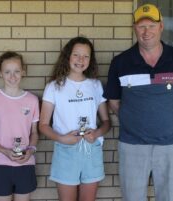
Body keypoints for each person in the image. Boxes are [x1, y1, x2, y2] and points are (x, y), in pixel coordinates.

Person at [104, 4, 173, 201]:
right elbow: (114, 102)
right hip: (132, 145)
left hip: (170, 145)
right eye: (141, 26)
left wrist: (168, 119)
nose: (146, 31)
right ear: (134, 29)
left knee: (169, 197)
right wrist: (134, 120)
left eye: (151, 25)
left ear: (161, 26)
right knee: (132, 198)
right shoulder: (121, 62)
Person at [39, 36, 110, 201]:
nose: (81, 60)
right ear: (68, 56)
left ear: (90, 60)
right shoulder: (54, 86)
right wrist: (62, 138)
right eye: (76, 55)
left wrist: (96, 133)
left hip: (91, 151)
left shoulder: (95, 85)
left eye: (86, 56)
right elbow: (43, 125)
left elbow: (106, 122)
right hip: (65, 151)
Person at [0, 51, 39, 201]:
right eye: (7, 72)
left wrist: (31, 150)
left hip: (25, 163)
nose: (12, 76)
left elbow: (34, 132)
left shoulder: (32, 100)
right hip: (0, 163)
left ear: (23, 72)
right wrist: (4, 151)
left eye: (17, 71)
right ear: (0, 73)